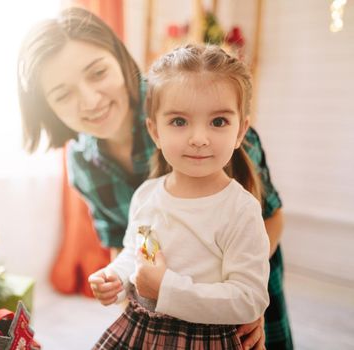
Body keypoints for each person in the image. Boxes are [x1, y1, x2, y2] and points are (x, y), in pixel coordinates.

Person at [17, 7, 292, 349]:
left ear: (119, 59)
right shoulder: (83, 162)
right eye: (62, 94)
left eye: (98, 72)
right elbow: (129, 242)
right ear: (48, 108)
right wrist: (123, 285)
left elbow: (270, 218)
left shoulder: (197, 108)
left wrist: (238, 301)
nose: (90, 100)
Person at [88, 43, 270, 349]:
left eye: (218, 122)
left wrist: (166, 288)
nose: (199, 139)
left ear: (240, 132)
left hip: (204, 339)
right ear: (155, 131)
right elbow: (139, 253)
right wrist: (116, 278)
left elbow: (248, 299)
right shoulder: (147, 195)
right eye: (179, 121)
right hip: (140, 328)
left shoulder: (241, 210)